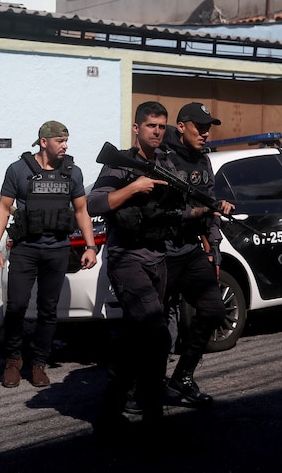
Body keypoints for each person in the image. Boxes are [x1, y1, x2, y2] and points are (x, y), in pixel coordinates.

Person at [87, 101, 207, 434]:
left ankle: (113, 409)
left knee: (137, 338)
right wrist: (134, 187)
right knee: (155, 332)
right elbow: (95, 203)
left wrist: (197, 213)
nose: (157, 131)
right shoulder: (120, 164)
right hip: (127, 258)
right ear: (136, 128)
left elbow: (171, 213)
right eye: (151, 125)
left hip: (157, 257)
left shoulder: (167, 164)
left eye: (161, 126)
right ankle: (153, 412)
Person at [0, 121, 97, 388]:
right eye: (60, 141)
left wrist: (90, 246)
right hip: (25, 248)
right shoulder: (18, 170)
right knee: (16, 306)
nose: (65, 145)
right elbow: (4, 208)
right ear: (44, 142)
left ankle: (39, 363)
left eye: (66, 140)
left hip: (57, 249)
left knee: (49, 310)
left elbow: (82, 211)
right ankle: (13, 360)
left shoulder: (73, 172)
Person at [162, 102, 234, 407]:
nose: (205, 133)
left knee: (214, 311)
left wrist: (214, 250)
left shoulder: (204, 161)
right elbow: (165, 212)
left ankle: (183, 377)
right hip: (161, 251)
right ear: (182, 126)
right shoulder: (161, 159)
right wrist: (205, 210)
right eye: (199, 127)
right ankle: (143, 388)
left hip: (191, 249)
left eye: (208, 128)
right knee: (157, 327)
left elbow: (210, 206)